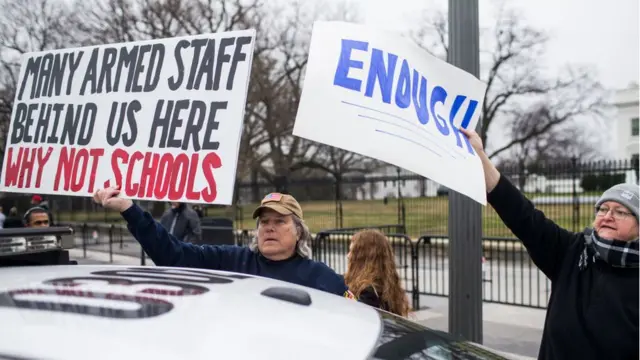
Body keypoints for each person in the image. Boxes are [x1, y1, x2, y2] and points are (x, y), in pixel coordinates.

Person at [460, 128, 638, 360]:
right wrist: (480, 157)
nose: (607, 216)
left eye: (621, 212)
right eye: (603, 209)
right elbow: (522, 215)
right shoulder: (572, 252)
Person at [92, 187, 353, 298]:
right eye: (264, 222)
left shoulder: (322, 279)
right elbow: (172, 255)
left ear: (299, 232)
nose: (269, 227)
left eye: (280, 221)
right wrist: (129, 209)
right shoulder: (231, 260)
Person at [344, 229, 410, 317]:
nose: (348, 256)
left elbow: (355, 314)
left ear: (365, 257)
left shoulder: (370, 291)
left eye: (353, 252)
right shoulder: (385, 283)